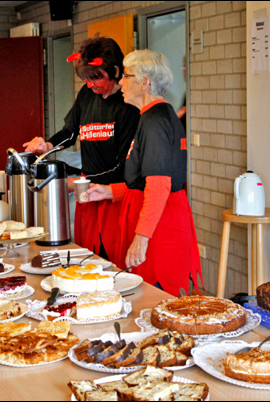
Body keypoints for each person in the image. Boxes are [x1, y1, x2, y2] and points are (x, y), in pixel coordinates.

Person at [87, 50, 202, 296]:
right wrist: (110, 192)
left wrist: (141, 238)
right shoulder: (154, 116)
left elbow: (159, 185)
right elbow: (145, 179)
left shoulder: (154, 121)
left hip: (159, 229)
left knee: (153, 299)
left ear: (145, 83)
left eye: (126, 76)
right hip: (160, 220)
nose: (120, 83)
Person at [23, 36, 140, 261]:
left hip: (114, 198)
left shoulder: (128, 106)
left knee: (113, 262)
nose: (91, 84)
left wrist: (79, 182)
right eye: (86, 79)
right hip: (88, 195)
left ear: (116, 71)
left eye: (97, 77)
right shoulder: (87, 95)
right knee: (87, 259)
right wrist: (47, 146)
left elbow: (123, 168)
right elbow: (69, 132)